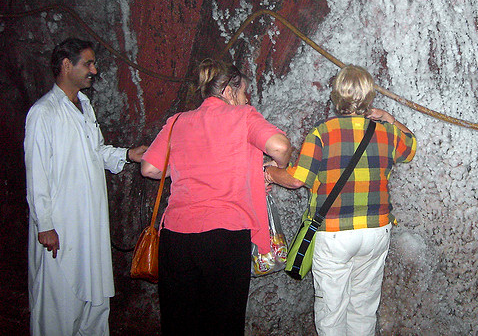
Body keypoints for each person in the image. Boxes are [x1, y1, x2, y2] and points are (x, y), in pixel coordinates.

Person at [140, 59, 292, 335]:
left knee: (180, 324)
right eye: (244, 92)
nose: (246, 98)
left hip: (176, 238)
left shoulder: (177, 122)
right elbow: (280, 146)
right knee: (223, 324)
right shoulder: (243, 115)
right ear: (228, 91)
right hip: (225, 236)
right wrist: (273, 169)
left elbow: (150, 168)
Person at [265, 64, 417, 336]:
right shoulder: (386, 133)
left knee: (331, 309)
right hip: (375, 231)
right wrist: (389, 118)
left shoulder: (322, 133)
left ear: (336, 96)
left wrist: (270, 173)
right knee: (363, 306)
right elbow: (412, 146)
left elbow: (298, 179)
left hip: (334, 233)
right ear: (369, 96)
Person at [23, 37, 148, 336]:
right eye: (87, 63)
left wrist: (129, 155)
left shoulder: (84, 106)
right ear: (67, 65)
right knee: (58, 303)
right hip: (61, 227)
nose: (94, 69)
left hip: (90, 225)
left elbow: (96, 152)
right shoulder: (44, 113)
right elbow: (36, 172)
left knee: (94, 300)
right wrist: (45, 225)